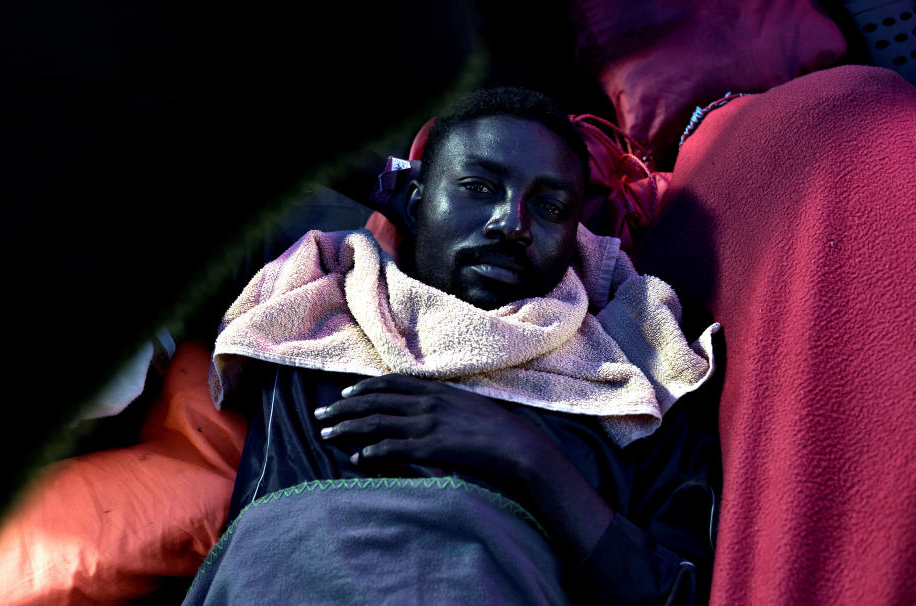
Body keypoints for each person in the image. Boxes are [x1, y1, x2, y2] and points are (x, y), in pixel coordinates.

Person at [184, 87, 721, 605]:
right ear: (414, 203)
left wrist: (527, 456)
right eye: (480, 188)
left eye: (551, 208)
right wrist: (396, 187)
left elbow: (675, 590)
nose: (512, 225)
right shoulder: (313, 312)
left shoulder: (629, 378)